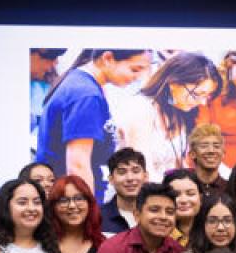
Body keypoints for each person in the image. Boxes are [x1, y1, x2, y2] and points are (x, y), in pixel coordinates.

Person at [35, 48, 152, 198]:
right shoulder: (86, 95)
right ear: (108, 58)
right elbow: (78, 165)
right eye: (135, 69)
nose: (138, 77)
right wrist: (88, 212)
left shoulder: (80, 83)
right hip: (73, 196)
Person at [116, 52, 221, 181]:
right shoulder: (141, 109)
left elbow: (180, 165)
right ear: (173, 82)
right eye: (197, 94)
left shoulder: (179, 110)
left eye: (207, 96)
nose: (202, 102)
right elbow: (141, 171)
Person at [48, 175, 105, 253]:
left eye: (79, 198)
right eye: (63, 200)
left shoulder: (103, 246)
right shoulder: (42, 245)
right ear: (53, 207)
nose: (72, 206)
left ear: (90, 204)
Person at [99, 148, 147, 236]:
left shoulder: (158, 215)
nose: (130, 178)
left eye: (135, 171)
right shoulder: (98, 218)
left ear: (145, 176)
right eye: (122, 172)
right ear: (111, 179)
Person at [187, 123, 228, 202]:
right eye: (204, 146)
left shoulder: (230, 189)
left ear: (223, 154)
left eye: (216, 146)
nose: (211, 151)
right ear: (192, 154)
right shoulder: (182, 187)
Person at [162, 168, 202, 247]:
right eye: (176, 195)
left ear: (201, 198)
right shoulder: (156, 236)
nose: (183, 200)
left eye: (190, 194)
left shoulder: (211, 233)